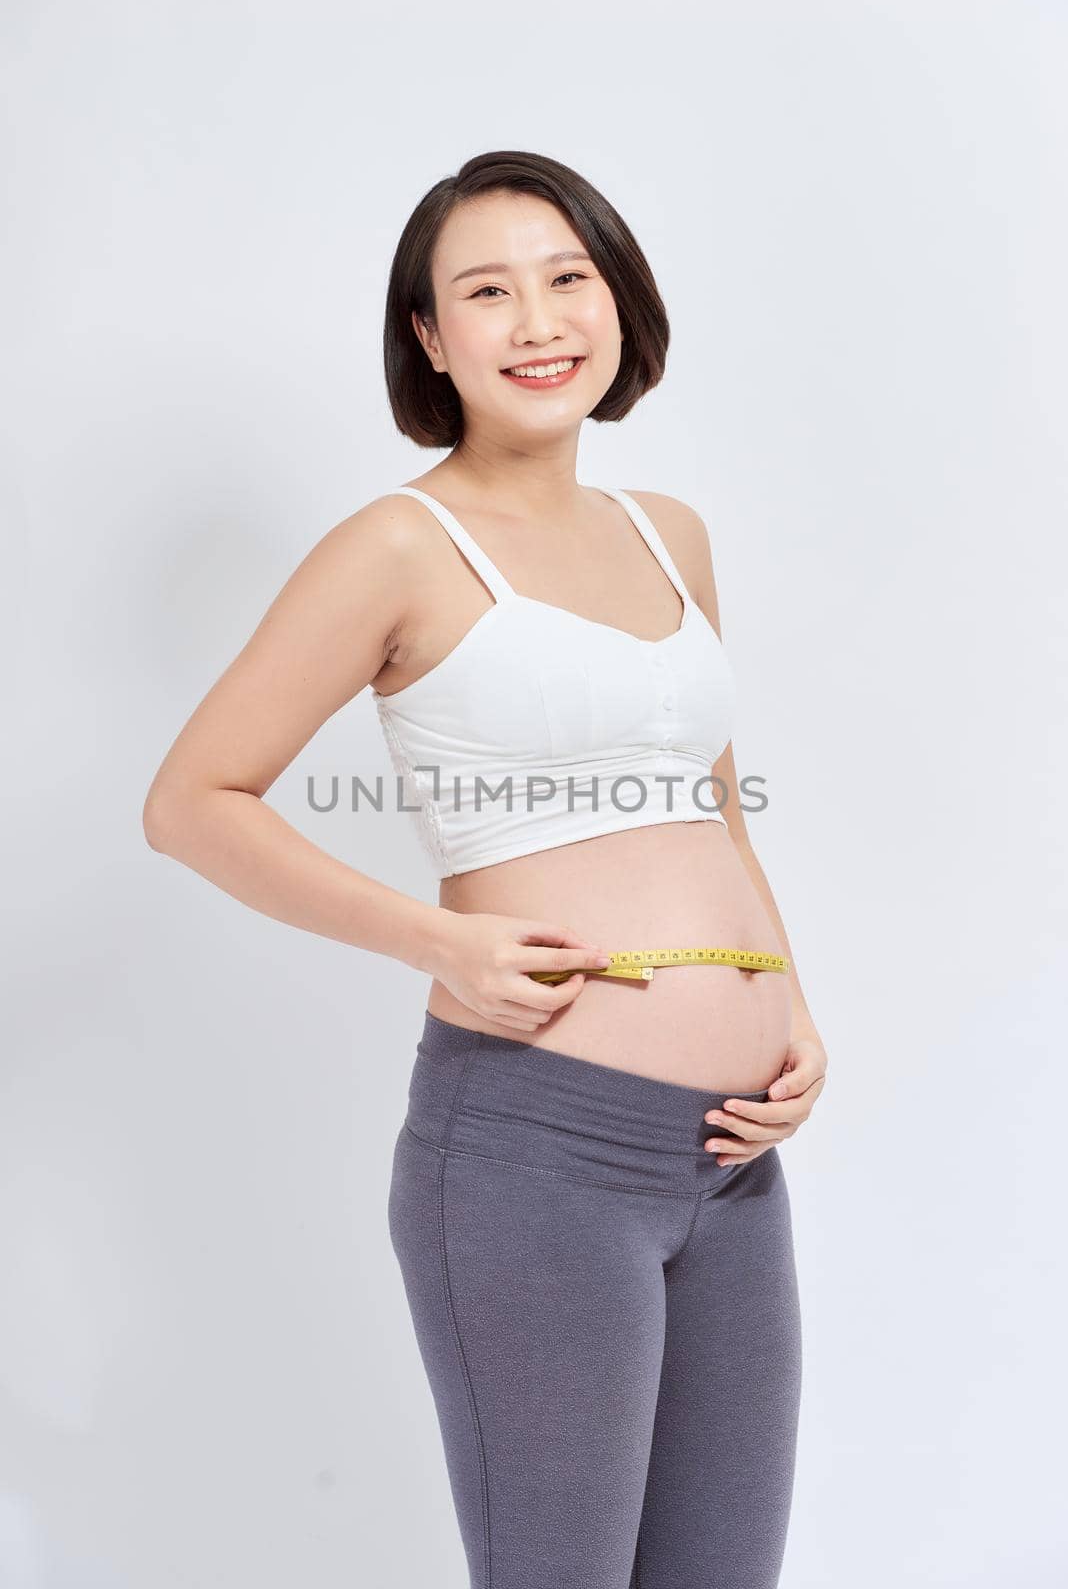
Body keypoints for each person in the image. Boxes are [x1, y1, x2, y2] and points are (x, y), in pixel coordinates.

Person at [143, 148, 828, 1589]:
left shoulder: (669, 534)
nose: (540, 321)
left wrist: (791, 1006)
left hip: (733, 1159)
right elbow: (193, 799)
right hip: (535, 1149)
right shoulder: (402, 544)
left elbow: (706, 798)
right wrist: (434, 942)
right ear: (431, 339)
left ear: (620, 301)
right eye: (488, 290)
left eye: (569, 277)